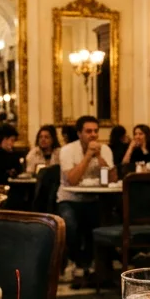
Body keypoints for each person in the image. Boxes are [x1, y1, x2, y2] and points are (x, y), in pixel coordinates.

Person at [57, 115, 116, 282]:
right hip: (70, 198)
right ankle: (75, 261)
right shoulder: (67, 150)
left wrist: (99, 157)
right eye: (88, 131)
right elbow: (72, 180)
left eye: (96, 131)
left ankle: (94, 264)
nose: (93, 135)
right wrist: (88, 156)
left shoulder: (105, 150)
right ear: (79, 133)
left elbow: (112, 179)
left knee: (102, 223)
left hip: (94, 199)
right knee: (70, 224)